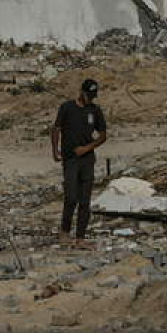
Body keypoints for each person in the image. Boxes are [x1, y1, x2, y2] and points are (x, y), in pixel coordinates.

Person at [51, 79, 108, 248]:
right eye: (88, 95)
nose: (90, 98)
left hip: (87, 159)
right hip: (70, 159)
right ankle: (65, 231)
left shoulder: (95, 110)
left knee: (85, 200)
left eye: (93, 96)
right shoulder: (67, 107)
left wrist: (87, 148)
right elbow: (56, 129)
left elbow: (103, 135)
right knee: (71, 197)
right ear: (81, 92)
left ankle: (81, 237)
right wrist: (55, 151)